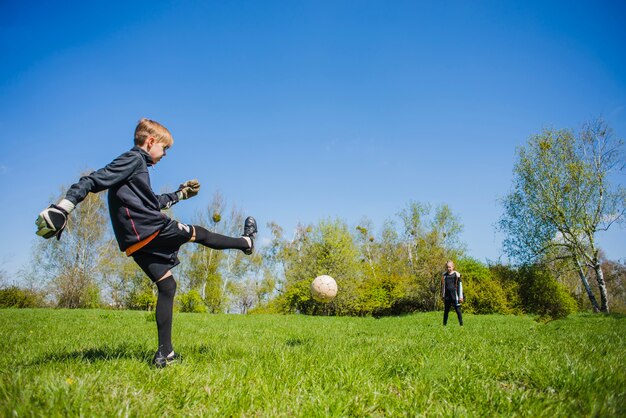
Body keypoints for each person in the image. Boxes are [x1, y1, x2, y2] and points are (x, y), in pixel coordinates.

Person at [35, 118, 257, 368]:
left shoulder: (136, 170)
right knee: (198, 233)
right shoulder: (133, 159)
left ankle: (165, 354)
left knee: (167, 286)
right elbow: (92, 180)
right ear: (151, 142)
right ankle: (246, 242)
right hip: (149, 229)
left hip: (135, 242)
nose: (164, 154)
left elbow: (153, 201)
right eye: (165, 148)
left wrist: (181, 194)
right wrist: (63, 208)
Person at [441, 261, 463, 326]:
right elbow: (442, 286)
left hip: (455, 296)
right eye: (447, 267)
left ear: (453, 267)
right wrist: (443, 295)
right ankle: (444, 325)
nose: (449, 269)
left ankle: (461, 325)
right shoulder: (444, 276)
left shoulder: (457, 275)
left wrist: (460, 296)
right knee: (446, 311)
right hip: (447, 296)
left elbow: (460, 286)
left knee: (458, 311)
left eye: (450, 267)